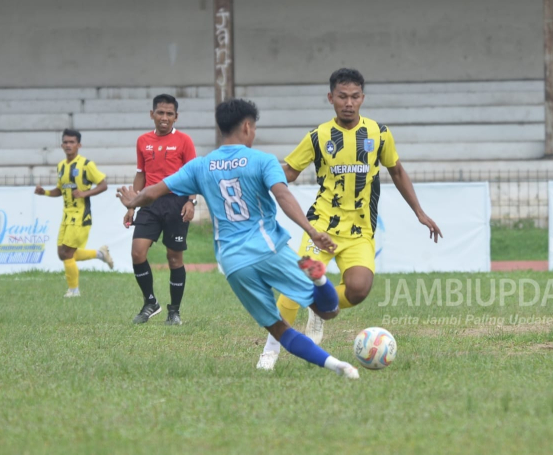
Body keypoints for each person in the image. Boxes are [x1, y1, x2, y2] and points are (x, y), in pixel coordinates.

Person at [116, 98, 359, 379]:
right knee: (327, 310)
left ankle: (338, 367)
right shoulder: (262, 160)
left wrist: (133, 202)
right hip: (268, 248)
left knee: (279, 328)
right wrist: (311, 230)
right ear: (246, 126)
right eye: (253, 128)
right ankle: (318, 279)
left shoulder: (201, 166)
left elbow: (154, 190)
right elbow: (283, 195)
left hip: (233, 263)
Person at [258, 68, 442, 370]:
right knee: (296, 284)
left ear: (363, 99)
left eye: (355, 97)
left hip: (359, 232)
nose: (349, 102)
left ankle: (318, 309)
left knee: (359, 289)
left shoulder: (378, 134)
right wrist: (261, 194)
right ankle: (270, 351)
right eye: (342, 96)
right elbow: (287, 173)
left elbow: (396, 171)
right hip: (321, 228)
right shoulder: (318, 137)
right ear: (331, 98)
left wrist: (420, 213)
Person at [125, 94, 197, 325]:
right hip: (148, 201)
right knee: (137, 252)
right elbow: (141, 174)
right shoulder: (142, 140)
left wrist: (191, 201)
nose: (164, 118)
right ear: (152, 114)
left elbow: (194, 174)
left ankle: (174, 312)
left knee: (174, 258)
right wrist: (132, 205)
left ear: (176, 117)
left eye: (169, 114)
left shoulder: (185, 141)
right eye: (160, 113)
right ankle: (150, 303)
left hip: (176, 202)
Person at [35, 129, 114, 297]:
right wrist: (45, 193)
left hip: (80, 215)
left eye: (72, 142)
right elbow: (60, 190)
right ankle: (100, 254)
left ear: (79, 145)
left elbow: (103, 185)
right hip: (66, 215)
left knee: (66, 253)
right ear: (62, 145)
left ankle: (74, 290)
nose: (68, 145)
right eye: (65, 142)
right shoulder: (61, 166)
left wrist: (84, 193)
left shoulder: (86, 165)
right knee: (62, 254)